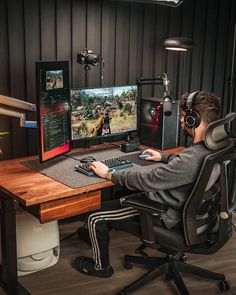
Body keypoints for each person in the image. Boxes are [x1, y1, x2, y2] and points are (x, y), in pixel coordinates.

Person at [73, 91, 221, 278]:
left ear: (194, 120)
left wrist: (110, 174)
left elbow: (148, 179)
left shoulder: (191, 159)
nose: (181, 121)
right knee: (118, 199)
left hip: (164, 213)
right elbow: (188, 164)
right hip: (201, 219)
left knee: (94, 216)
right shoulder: (217, 145)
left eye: (184, 117)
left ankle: (101, 268)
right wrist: (164, 157)